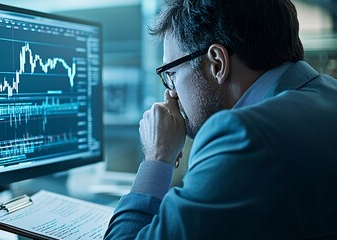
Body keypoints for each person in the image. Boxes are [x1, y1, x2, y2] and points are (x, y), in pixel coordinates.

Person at [104, 0, 337, 239]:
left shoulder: (241, 137)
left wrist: (157, 158)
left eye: (172, 74)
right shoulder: (329, 91)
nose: (171, 93)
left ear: (217, 63)